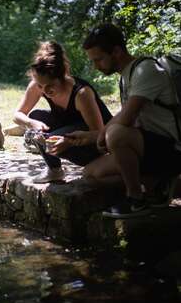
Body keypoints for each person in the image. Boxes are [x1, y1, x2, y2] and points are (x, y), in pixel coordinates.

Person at [72, 23, 181, 218]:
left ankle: (136, 199)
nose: (96, 66)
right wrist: (90, 137)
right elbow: (126, 121)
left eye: (99, 59)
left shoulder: (147, 69)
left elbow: (127, 117)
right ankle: (156, 181)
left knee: (116, 134)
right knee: (90, 174)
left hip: (172, 148)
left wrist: (104, 133)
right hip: (148, 147)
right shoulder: (126, 76)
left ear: (116, 51)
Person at [13, 41, 112, 183]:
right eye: (41, 86)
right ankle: (54, 170)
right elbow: (17, 115)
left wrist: (69, 142)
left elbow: (99, 133)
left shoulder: (81, 93)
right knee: (36, 117)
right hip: (71, 129)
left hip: (98, 145)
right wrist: (31, 122)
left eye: (50, 86)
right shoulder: (37, 85)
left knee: (49, 139)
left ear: (63, 77)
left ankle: (99, 163)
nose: (45, 91)